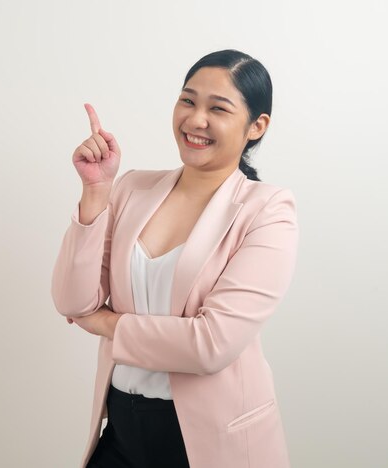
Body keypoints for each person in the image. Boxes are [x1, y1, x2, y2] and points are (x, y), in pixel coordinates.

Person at [51, 49, 299, 468]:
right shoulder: (131, 187)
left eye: (217, 108)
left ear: (257, 126)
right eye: (188, 100)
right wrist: (96, 192)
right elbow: (72, 303)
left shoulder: (268, 209)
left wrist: (108, 324)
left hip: (210, 440)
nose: (195, 119)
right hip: (122, 428)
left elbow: (210, 346)